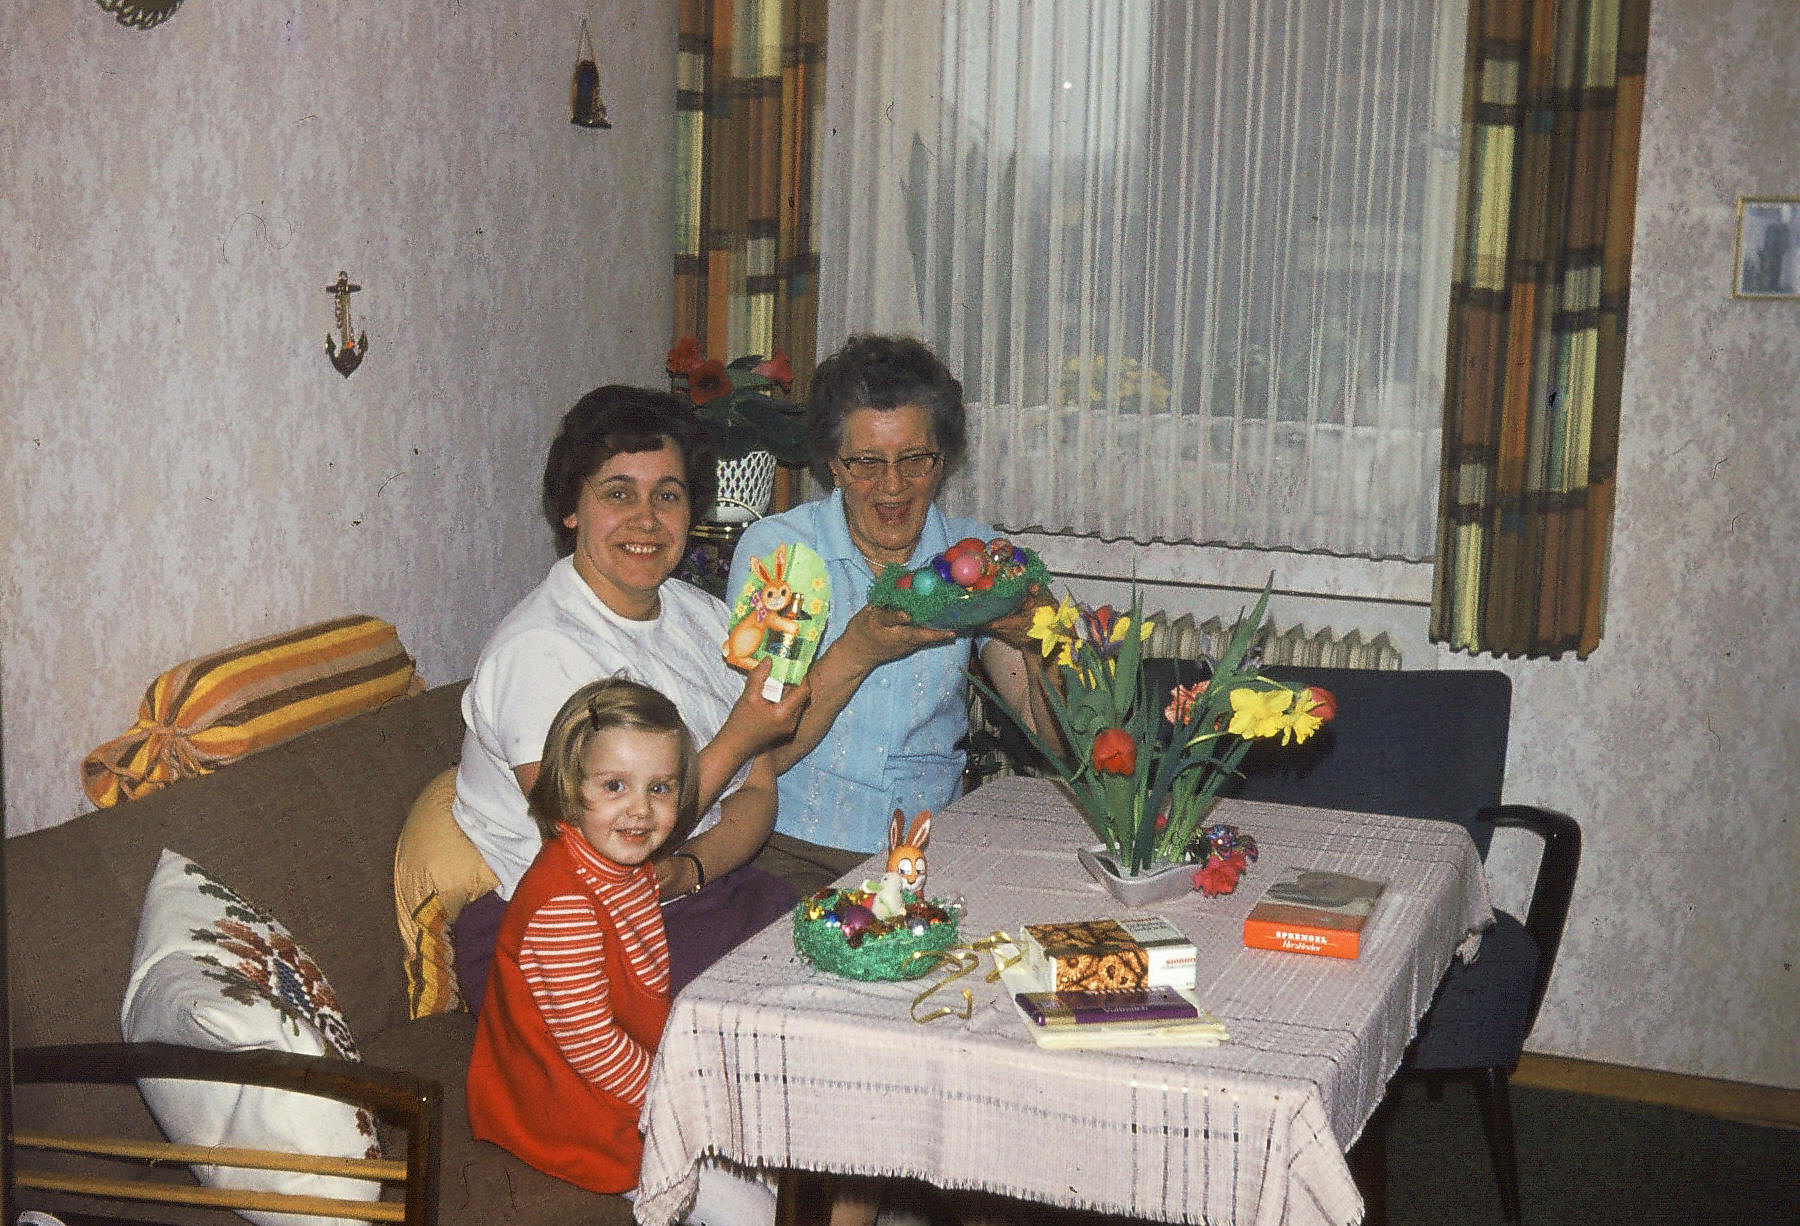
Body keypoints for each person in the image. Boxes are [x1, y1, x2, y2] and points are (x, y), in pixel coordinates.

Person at [451, 385, 809, 1009]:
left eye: (666, 496)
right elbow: (603, 850)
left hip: (690, 895)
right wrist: (743, 733)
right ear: (571, 510)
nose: (646, 520)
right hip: (564, 936)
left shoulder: (700, 615)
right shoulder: (539, 650)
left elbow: (756, 792)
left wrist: (690, 872)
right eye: (618, 493)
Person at [727, 334, 1055, 890]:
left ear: (943, 459)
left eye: (915, 460)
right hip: (788, 846)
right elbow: (757, 753)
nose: (893, 485)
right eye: (865, 463)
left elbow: (1048, 732)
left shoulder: (975, 556)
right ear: (832, 463)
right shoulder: (781, 556)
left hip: (931, 843)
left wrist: (1044, 643)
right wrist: (858, 651)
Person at [466, 678, 772, 1223]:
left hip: (622, 1080)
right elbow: (596, 1050)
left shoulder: (622, 867)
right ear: (568, 784)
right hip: (569, 1112)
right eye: (614, 786)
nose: (640, 811)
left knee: (774, 1150)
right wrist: (686, 1105)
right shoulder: (564, 907)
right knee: (754, 1211)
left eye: (661, 788)